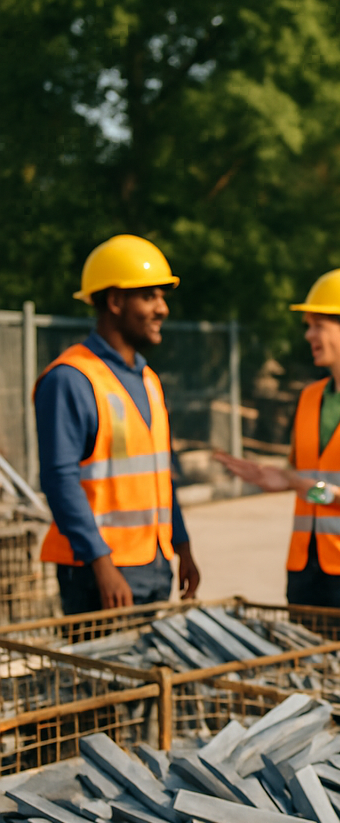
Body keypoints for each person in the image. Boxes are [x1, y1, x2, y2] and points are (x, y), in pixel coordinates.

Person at [216, 267, 340, 613]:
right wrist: (277, 478)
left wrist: (325, 493)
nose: (309, 335)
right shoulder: (309, 398)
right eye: (308, 326)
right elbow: (305, 475)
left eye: (318, 326)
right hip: (306, 571)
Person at [34, 234, 200, 614]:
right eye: (149, 296)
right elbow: (59, 480)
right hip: (100, 578)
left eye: (163, 297)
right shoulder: (70, 378)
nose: (162, 309)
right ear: (114, 301)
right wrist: (102, 565)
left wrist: (183, 545)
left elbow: (161, 476)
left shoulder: (148, 380)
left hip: (153, 566)